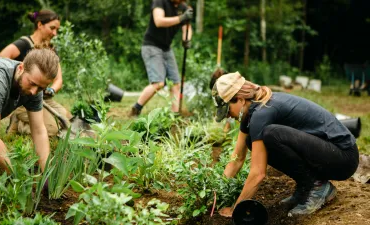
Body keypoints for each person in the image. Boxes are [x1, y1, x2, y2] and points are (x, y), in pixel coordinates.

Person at [212, 72, 359, 217]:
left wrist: (236, 210)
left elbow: (258, 173)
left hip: (343, 157)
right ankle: (305, 186)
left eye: (228, 110)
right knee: (252, 140)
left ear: (240, 99)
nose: (228, 116)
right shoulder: (251, 111)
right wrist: (216, 195)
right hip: (327, 152)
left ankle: (317, 187)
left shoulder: (261, 113)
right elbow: (237, 159)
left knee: (271, 134)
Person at [0, 48, 59, 177]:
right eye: (32, 83)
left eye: (41, 88)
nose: (34, 91)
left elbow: (39, 131)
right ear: (21, 68)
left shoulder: (34, 87)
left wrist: (47, 172)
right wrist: (18, 177)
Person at [0, 9, 71, 136]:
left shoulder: (51, 50)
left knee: (68, 121)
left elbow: (58, 79)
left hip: (44, 99)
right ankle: (18, 123)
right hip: (24, 99)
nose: (55, 33)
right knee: (52, 130)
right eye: (52, 28)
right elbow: (0, 60)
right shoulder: (24, 44)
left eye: (57, 30)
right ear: (40, 25)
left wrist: (51, 90)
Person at [129, 0, 193, 116]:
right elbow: (159, 21)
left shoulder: (183, 8)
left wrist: (186, 39)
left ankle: (175, 115)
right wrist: (181, 18)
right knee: (158, 83)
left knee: (175, 84)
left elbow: (187, 29)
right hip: (151, 45)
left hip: (166, 48)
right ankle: (136, 108)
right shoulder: (160, 1)